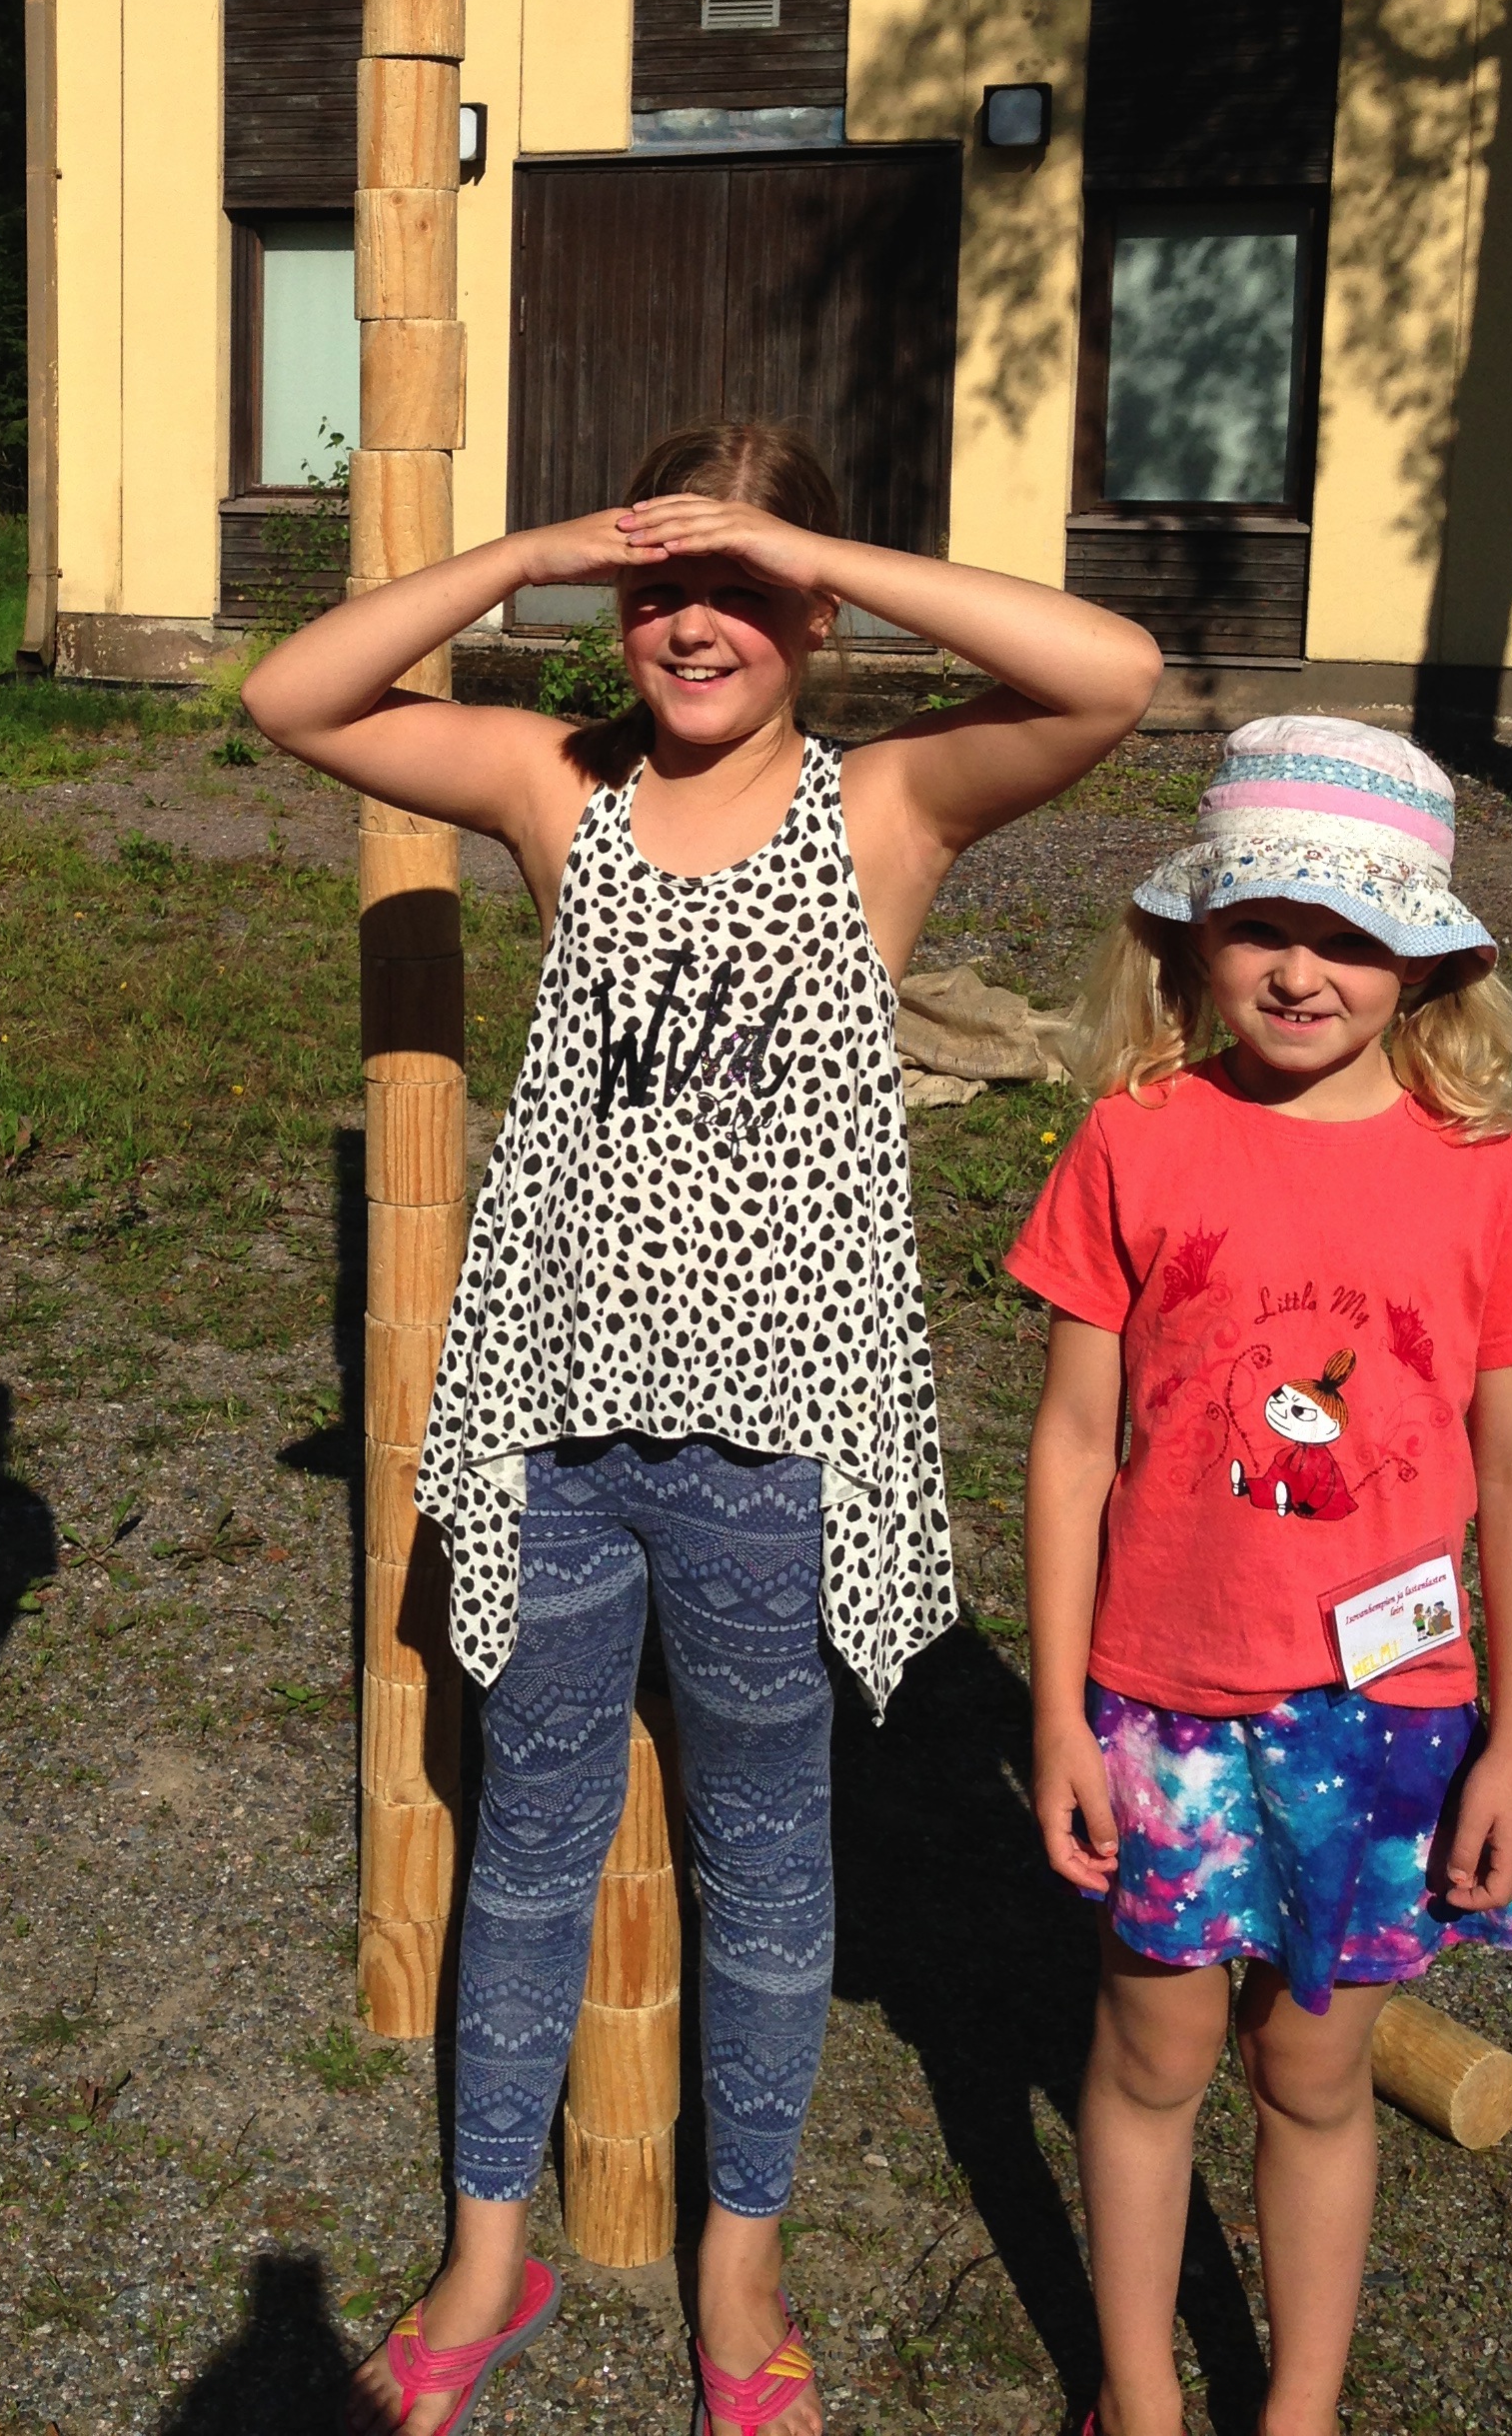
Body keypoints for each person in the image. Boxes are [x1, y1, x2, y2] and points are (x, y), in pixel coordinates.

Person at [242, 421, 1161, 2436]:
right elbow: (289, 696)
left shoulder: (888, 804)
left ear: (814, 613)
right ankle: (488, 2251)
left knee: (766, 1868)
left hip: (778, 1454)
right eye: (663, 590)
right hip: (556, 1426)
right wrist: (538, 551)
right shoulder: (552, 785)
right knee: (528, 1845)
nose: (695, 625)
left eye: (744, 589)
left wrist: (809, 543)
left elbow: (1113, 673)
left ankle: (739, 2270)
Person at [1008, 719, 1512, 2436]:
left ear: (1425, 959)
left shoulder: (1491, 1175)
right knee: (1152, 2058)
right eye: (1264, 924)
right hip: (1161, 1702)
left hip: (1391, 1717)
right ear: (1197, 933)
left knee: (1316, 2068)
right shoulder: (1134, 1141)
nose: (1299, 970)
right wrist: (1056, 1716)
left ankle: (1304, 2410)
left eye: (1350, 935)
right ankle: (1138, 2394)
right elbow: (1071, 1446)